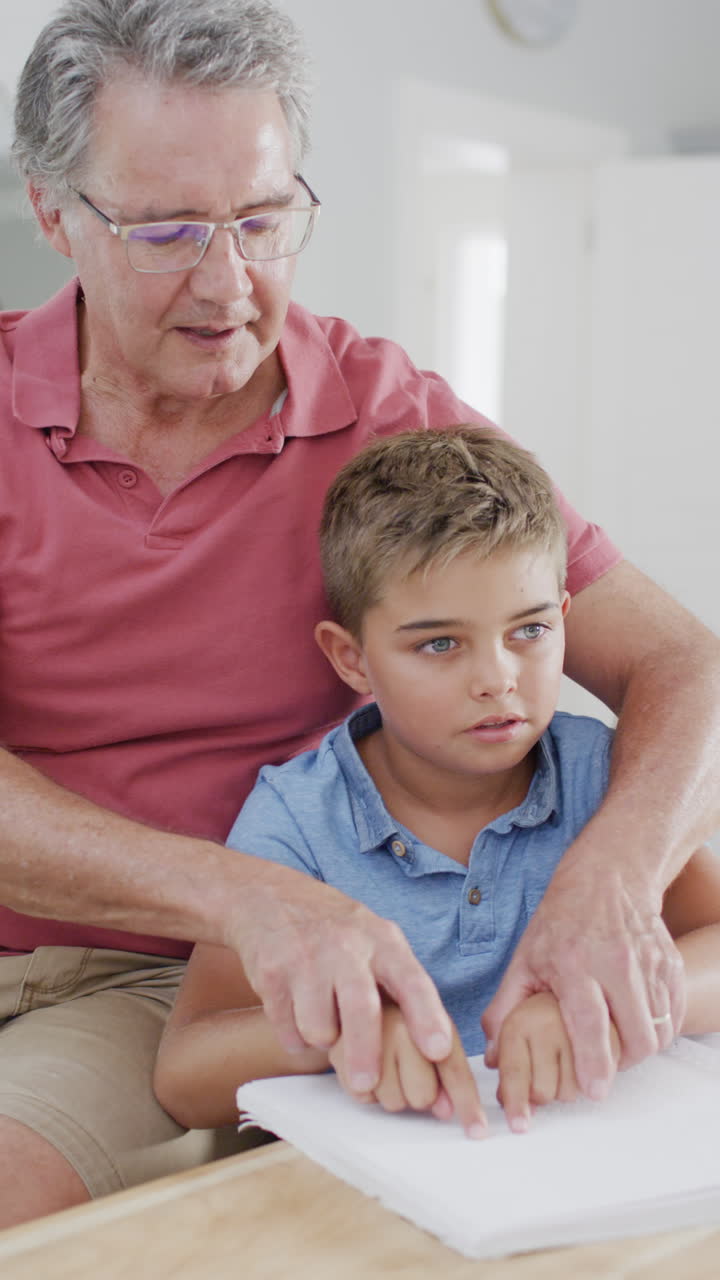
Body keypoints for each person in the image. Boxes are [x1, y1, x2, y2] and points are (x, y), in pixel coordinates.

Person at [1, 0, 718, 1226]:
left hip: (152, 978)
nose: (228, 282)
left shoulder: (395, 422)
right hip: (239, 919)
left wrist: (614, 876)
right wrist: (241, 891)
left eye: (265, 219)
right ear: (54, 212)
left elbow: (682, 661)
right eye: (169, 229)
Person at [154, 427, 720, 1136]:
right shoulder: (297, 820)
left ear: (565, 619)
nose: (497, 679)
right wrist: (345, 1035)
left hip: (579, 1162)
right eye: (441, 644)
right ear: (353, 659)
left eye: (530, 631)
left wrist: (599, 1003)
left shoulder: (602, 775)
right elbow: (184, 1073)